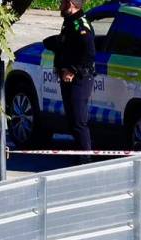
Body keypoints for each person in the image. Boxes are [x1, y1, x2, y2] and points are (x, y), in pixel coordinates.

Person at [53, 0, 96, 163]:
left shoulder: (81, 24)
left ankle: (85, 160)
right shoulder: (69, 22)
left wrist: (72, 70)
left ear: (71, 3)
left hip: (80, 78)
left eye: (62, 2)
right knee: (72, 121)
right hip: (68, 78)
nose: (59, 5)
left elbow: (88, 53)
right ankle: (78, 155)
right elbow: (69, 46)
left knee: (79, 121)